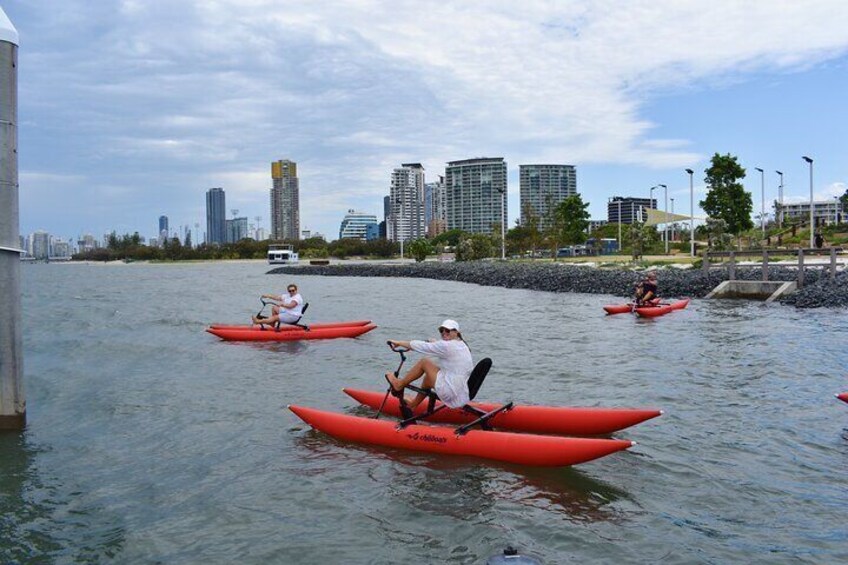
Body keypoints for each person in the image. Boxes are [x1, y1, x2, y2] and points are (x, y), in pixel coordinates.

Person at [385, 319, 473, 410]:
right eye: (441, 330)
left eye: (447, 330)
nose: (444, 333)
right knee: (428, 379)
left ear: (456, 332)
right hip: (460, 391)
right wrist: (434, 342)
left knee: (425, 362)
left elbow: (422, 346)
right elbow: (442, 346)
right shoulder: (462, 345)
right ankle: (413, 405)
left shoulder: (446, 346)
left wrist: (399, 343)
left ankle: (399, 385)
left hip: (450, 391)